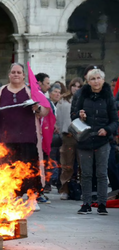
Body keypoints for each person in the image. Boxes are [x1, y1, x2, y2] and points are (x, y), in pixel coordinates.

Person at [0, 63, 50, 211]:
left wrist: (37, 108)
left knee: (31, 170)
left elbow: (45, 110)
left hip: (28, 138)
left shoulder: (31, 91)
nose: (16, 75)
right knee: (8, 169)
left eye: (19, 72)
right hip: (5, 139)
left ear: (24, 75)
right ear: (9, 75)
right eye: (13, 72)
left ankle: (32, 199)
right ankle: (13, 197)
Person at [73, 69, 118, 215]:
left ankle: (102, 204)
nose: (96, 81)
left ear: (103, 80)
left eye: (99, 78)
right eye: (93, 79)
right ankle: (86, 203)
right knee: (86, 173)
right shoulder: (82, 95)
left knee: (101, 173)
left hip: (102, 140)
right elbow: (73, 115)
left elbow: (114, 121)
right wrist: (80, 115)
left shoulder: (108, 97)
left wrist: (107, 130)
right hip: (85, 139)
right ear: (88, 81)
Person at [56, 77, 83, 200]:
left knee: (83, 165)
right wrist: (62, 131)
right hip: (68, 135)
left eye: (79, 86)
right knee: (67, 165)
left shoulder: (84, 99)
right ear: (70, 86)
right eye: (74, 86)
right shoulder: (64, 100)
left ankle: (82, 190)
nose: (76, 88)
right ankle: (64, 189)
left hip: (82, 136)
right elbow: (59, 118)